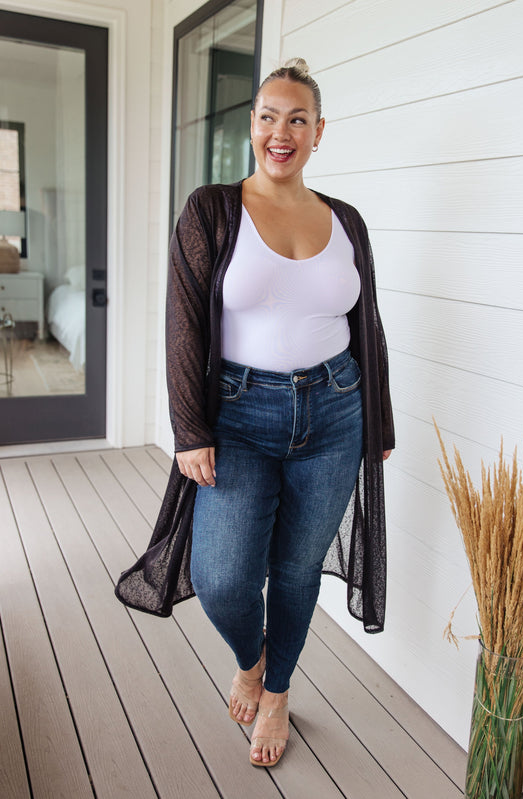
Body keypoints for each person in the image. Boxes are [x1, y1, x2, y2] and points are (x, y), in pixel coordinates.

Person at [115, 57, 394, 769]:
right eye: (268, 116)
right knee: (224, 575)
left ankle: (277, 690)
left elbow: (368, 325)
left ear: (317, 132)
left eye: (297, 119)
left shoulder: (346, 221)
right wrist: (189, 429)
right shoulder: (211, 207)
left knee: (298, 568)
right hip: (238, 414)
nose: (281, 131)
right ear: (251, 126)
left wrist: (379, 423)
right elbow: (185, 324)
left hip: (335, 412)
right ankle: (254, 655)